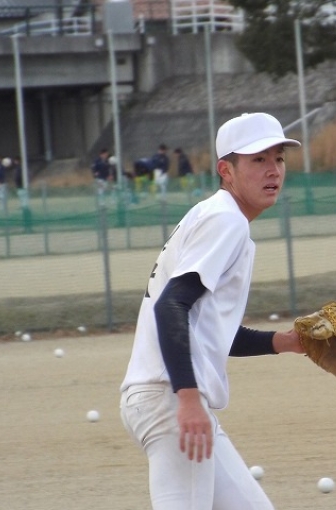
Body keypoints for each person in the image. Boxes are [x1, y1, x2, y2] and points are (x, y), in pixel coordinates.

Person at [119, 112, 304, 510]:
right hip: (169, 398)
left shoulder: (217, 215)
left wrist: (286, 342)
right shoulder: (226, 220)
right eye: (258, 159)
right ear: (226, 170)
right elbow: (171, 305)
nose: (273, 170)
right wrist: (187, 399)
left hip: (166, 397)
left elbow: (208, 328)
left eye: (278, 158)